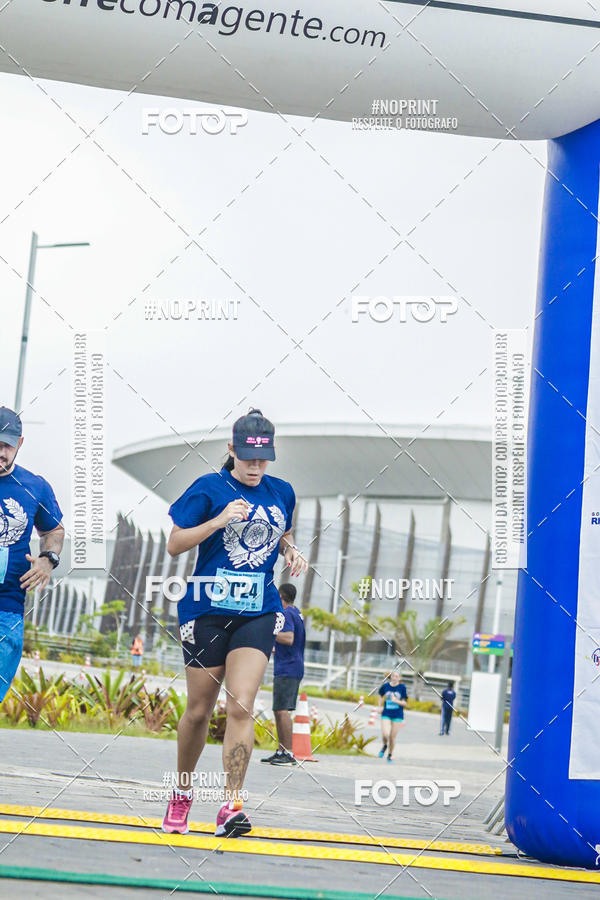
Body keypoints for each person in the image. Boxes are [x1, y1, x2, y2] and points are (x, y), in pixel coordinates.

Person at [162, 409, 308, 838]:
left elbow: (282, 532)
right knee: (198, 710)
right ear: (231, 449)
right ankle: (182, 793)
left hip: (257, 610)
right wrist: (218, 521)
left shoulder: (282, 492)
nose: (255, 467)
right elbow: (174, 544)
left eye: (263, 459)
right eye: (247, 458)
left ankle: (231, 805)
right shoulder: (208, 488)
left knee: (241, 704)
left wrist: (291, 550)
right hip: (206, 611)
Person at [0, 407, 64, 702]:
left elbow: (54, 531)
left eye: (7, 445)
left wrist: (48, 559)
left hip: (7, 604)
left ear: (20, 444)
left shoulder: (35, 486)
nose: (1, 452)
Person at [261, 582, 306, 766]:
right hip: (290, 665)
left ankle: (288, 753)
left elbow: (288, 638)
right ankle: (281, 751)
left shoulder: (286, 613)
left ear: (280, 596)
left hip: (288, 667)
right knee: (278, 709)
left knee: (282, 710)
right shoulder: (296, 612)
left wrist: (267, 631)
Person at [377, 669, 408, 762]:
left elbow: (404, 703)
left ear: (400, 678)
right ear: (390, 676)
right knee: (385, 734)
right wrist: (380, 706)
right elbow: (380, 695)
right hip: (386, 712)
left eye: (397, 676)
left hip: (397, 714)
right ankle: (384, 745)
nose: (394, 678)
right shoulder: (385, 686)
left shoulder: (402, 687)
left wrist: (396, 701)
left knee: (392, 737)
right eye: (393, 676)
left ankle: (390, 754)